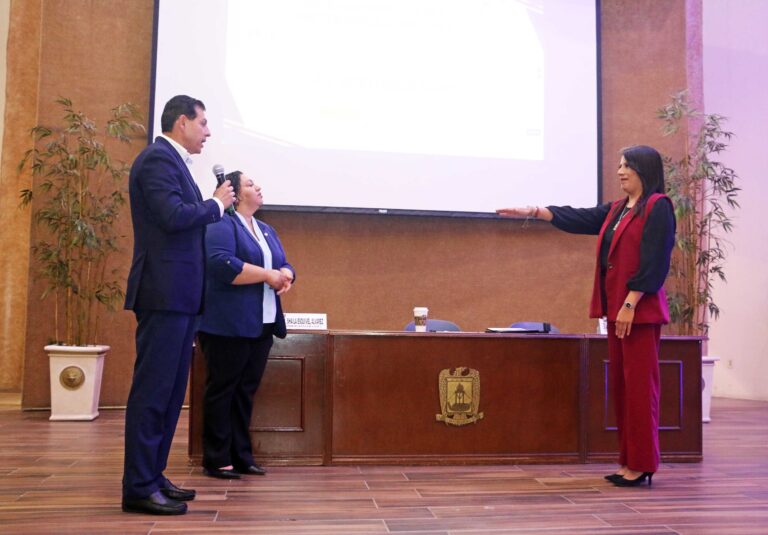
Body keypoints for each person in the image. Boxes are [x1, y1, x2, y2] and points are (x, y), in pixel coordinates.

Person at [497, 145, 675, 487]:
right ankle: (629, 461)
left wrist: (630, 303)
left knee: (640, 390)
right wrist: (536, 211)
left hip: (638, 312)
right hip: (618, 312)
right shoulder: (618, 209)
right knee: (623, 389)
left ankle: (642, 464)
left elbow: (656, 260)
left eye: (627, 166)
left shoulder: (658, 206)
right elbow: (580, 218)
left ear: (644, 169)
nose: (620, 171)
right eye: (620, 165)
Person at [122, 95, 236, 515]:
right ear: (182, 122)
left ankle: (153, 476)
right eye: (203, 123)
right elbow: (172, 216)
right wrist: (216, 204)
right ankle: (138, 486)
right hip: (163, 294)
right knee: (153, 391)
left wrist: (210, 205)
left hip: (181, 297)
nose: (208, 132)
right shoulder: (157, 160)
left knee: (170, 395)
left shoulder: (175, 164)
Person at [197, 171, 295, 479]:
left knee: (245, 392)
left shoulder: (265, 229)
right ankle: (216, 458)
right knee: (222, 390)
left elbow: (283, 263)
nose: (258, 187)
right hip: (227, 324)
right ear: (235, 194)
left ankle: (241, 455)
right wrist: (267, 275)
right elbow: (221, 263)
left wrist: (287, 274)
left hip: (262, 323)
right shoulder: (221, 224)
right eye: (251, 184)